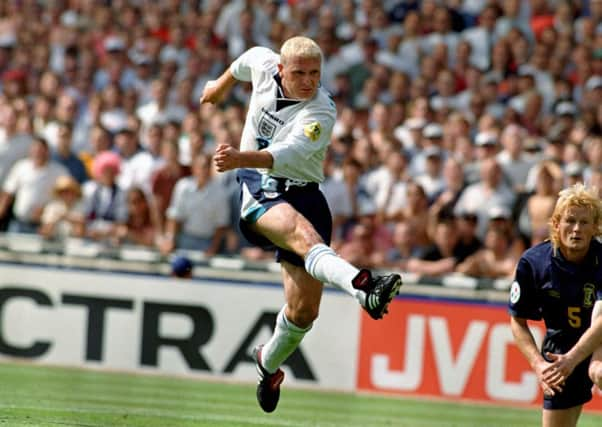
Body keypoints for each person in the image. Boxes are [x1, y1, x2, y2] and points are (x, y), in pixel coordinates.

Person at [199, 36, 402, 413]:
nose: (309, 81)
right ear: (281, 69)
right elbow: (244, 60)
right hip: (261, 190)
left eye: (315, 73)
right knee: (303, 237)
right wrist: (219, 85)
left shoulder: (321, 111)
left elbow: (286, 153)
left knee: (303, 313)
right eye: (299, 73)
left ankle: (268, 363)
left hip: (305, 193)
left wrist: (239, 156)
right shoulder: (264, 65)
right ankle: (363, 286)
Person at [508, 183, 602, 427]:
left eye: (584, 222)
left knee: (599, 372)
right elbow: (517, 320)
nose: (576, 229)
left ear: (595, 227)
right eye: (570, 221)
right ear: (557, 224)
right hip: (559, 350)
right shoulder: (534, 262)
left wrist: (573, 359)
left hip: (597, 341)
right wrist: (539, 364)